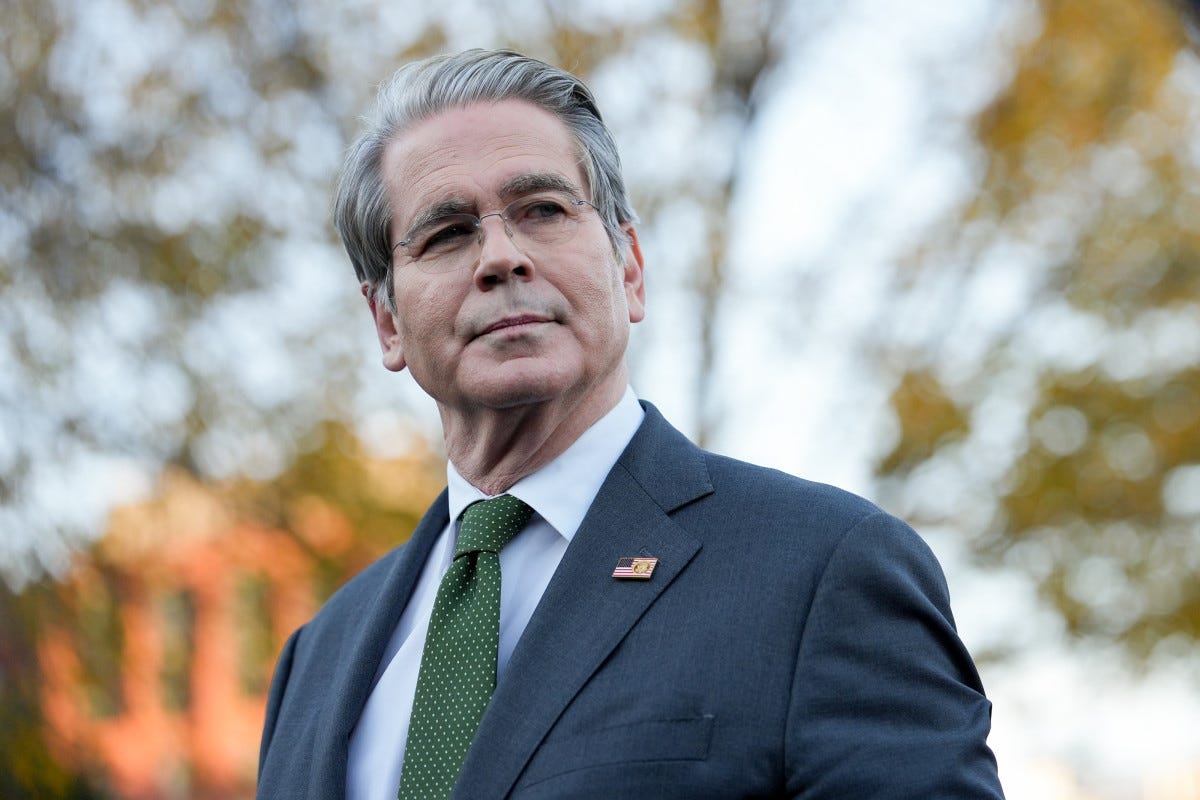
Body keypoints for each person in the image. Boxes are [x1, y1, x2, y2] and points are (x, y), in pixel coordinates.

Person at [256, 49, 1005, 800]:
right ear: (386, 320)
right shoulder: (316, 660)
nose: (501, 257)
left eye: (542, 210)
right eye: (447, 233)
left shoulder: (821, 571)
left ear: (630, 268)